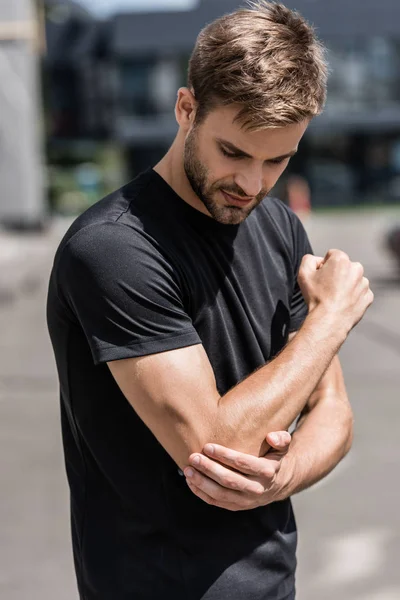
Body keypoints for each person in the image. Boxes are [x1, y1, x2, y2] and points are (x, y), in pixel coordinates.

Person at [46, 2, 373, 599]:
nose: (252, 183)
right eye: (234, 153)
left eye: (278, 160)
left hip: (272, 583)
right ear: (186, 108)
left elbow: (335, 414)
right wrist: (332, 319)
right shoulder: (114, 248)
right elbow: (212, 446)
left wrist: (284, 477)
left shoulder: (278, 228)